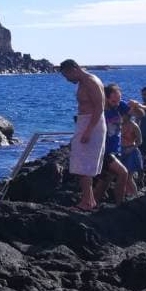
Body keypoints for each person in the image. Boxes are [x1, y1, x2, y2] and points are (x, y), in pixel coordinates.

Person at [59, 59, 107, 211]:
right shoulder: (83, 82)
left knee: (83, 164)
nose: (67, 80)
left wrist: (88, 130)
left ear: (74, 69)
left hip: (91, 124)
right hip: (85, 122)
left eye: (67, 76)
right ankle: (90, 201)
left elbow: (100, 107)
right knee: (81, 163)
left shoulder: (90, 81)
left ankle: (86, 202)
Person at [94, 83, 142, 206]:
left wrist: (136, 106)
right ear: (106, 98)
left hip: (116, 149)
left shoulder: (120, 105)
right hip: (103, 150)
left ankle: (93, 203)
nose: (117, 102)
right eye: (114, 100)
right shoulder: (99, 110)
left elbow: (140, 114)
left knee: (106, 179)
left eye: (119, 99)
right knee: (123, 173)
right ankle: (119, 204)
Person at [120, 110, 143, 192]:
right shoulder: (119, 124)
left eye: (123, 114)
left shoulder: (134, 126)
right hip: (121, 151)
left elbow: (140, 141)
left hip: (131, 152)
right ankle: (126, 193)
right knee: (122, 176)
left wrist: (131, 148)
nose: (122, 116)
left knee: (129, 177)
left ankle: (134, 195)